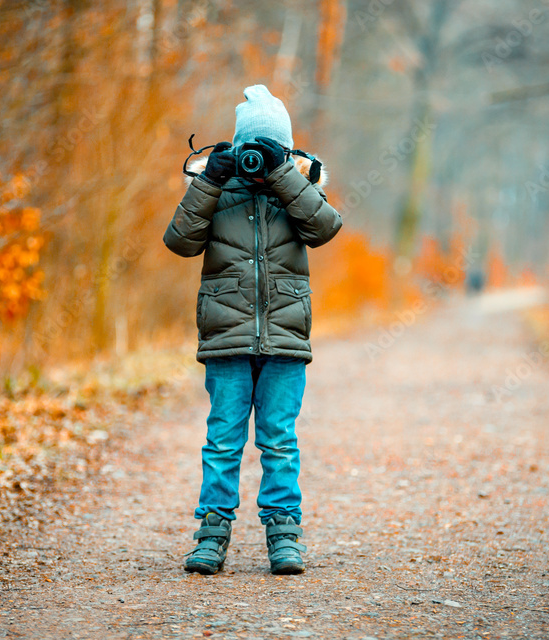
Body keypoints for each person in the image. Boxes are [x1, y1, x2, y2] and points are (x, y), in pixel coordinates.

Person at [163, 85, 342, 575]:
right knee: (223, 440)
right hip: (226, 340)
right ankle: (211, 537)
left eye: (270, 151)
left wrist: (284, 173)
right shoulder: (216, 188)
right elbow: (179, 242)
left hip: (285, 341)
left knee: (279, 440)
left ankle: (284, 536)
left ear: (285, 150)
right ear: (238, 147)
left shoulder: (298, 187)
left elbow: (325, 228)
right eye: (253, 150)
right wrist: (210, 181)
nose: (258, 162)